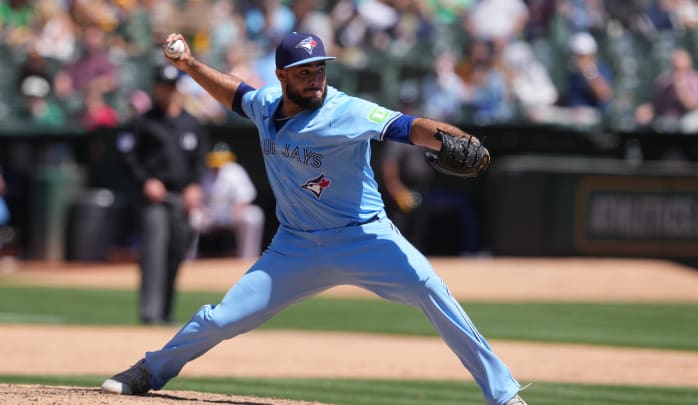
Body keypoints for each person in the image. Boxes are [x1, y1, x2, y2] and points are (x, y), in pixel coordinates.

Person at [101, 32, 527, 405]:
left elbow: (408, 126)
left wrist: (455, 138)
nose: (315, 77)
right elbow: (236, 94)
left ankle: (503, 395)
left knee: (431, 289)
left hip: (364, 238)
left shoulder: (346, 111)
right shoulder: (268, 103)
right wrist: (190, 64)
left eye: (319, 68)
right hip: (296, 246)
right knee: (222, 318)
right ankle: (149, 371)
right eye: (304, 71)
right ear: (283, 75)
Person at [117, 63, 209, 325]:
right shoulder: (143, 122)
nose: (169, 91)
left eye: (173, 86)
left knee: (177, 251)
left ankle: (166, 312)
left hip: (181, 197)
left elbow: (200, 160)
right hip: (154, 199)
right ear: (156, 88)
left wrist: (195, 185)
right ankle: (150, 313)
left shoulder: (191, 124)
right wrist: (145, 181)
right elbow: (127, 156)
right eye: (164, 86)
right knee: (154, 250)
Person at [190, 142, 265, 259]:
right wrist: (202, 210)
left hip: (231, 213)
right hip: (210, 214)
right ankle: (188, 261)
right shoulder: (204, 171)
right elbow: (197, 198)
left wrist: (237, 211)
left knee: (253, 216)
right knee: (192, 218)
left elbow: (246, 196)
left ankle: (247, 258)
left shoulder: (234, 171)